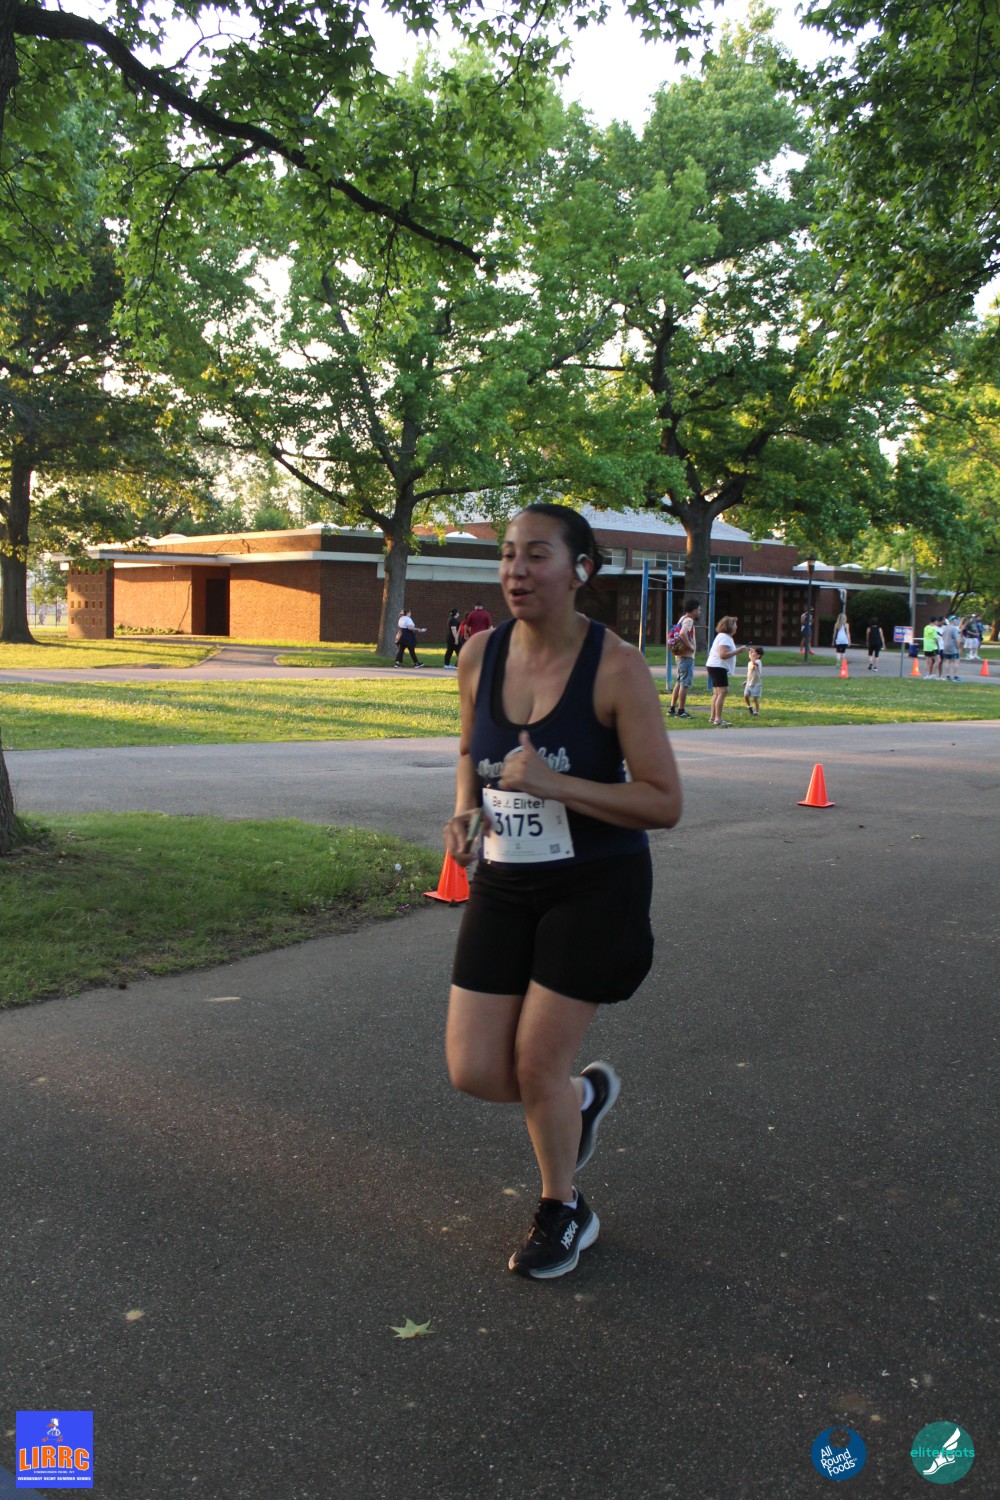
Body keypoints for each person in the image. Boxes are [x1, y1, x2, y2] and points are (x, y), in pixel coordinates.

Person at [443, 502, 681, 1281]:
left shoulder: (616, 667)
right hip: (506, 878)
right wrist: (465, 811)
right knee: (476, 1069)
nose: (516, 570)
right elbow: (470, 749)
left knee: (536, 1062)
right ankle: (578, 1101)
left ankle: (562, 1207)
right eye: (509, 554)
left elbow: (664, 802)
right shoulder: (479, 654)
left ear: (581, 569)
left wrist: (558, 784)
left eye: (536, 554)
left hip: (596, 884)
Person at [705, 616, 746, 726]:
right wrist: (738, 651)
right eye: (735, 624)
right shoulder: (725, 638)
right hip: (718, 666)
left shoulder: (722, 636)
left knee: (717, 692)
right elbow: (722, 655)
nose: (736, 627)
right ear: (729, 626)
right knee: (723, 692)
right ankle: (718, 719)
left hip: (713, 665)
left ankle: (713, 717)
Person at [667, 600, 701, 719]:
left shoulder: (682, 619)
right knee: (685, 684)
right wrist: (691, 646)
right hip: (686, 657)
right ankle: (681, 711)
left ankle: (672, 708)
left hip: (680, 655)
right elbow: (682, 633)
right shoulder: (689, 620)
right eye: (698, 610)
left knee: (679, 682)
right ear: (693, 610)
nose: (699, 612)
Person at [939, 616, 962, 680]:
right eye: (955, 620)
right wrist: (958, 647)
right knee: (956, 661)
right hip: (953, 646)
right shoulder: (954, 628)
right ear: (953, 620)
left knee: (947, 661)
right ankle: (955, 676)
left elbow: (943, 637)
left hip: (945, 646)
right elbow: (957, 639)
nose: (956, 621)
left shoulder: (945, 628)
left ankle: (947, 675)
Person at [743, 645, 763, 715]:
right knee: (745, 696)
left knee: (755, 699)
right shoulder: (749, 663)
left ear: (758, 655)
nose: (752, 653)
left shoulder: (758, 661)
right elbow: (750, 673)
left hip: (756, 684)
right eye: (751, 652)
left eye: (754, 652)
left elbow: (754, 665)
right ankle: (749, 707)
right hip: (749, 683)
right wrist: (746, 681)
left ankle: (757, 712)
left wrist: (750, 655)